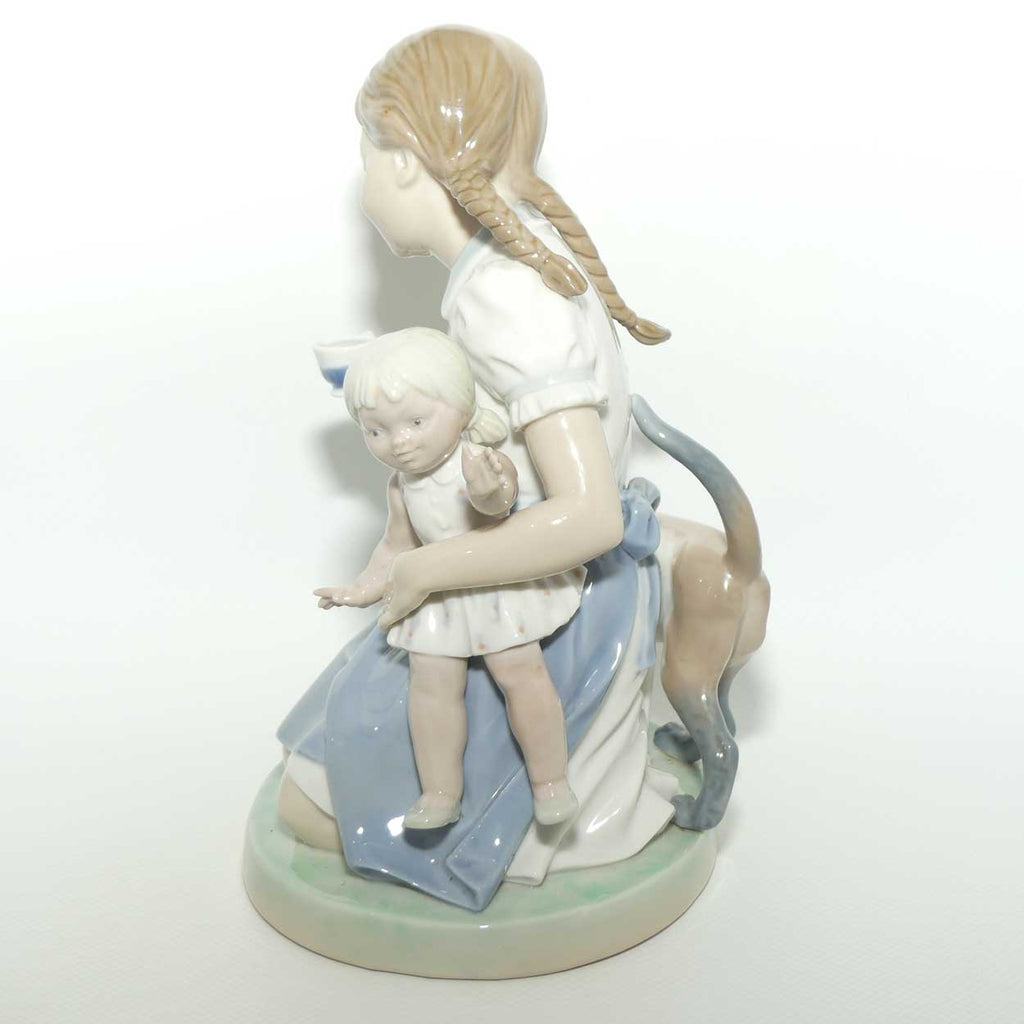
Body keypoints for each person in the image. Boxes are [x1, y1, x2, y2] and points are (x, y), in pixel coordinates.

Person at [277, 26, 677, 911]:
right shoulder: (503, 266)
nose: (364, 187)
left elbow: (588, 515)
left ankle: (523, 808)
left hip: (542, 591)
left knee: (318, 796)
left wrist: (427, 568)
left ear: (405, 161)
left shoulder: (508, 293)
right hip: (494, 561)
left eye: (366, 159)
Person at [315, 327, 582, 829]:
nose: (400, 442)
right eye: (376, 431)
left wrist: (486, 488)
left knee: (520, 671)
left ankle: (550, 781)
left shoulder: (479, 459)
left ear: (461, 407)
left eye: (416, 421)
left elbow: (498, 505)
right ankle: (440, 792)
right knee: (430, 683)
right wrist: (360, 588)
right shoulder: (401, 486)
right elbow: (396, 546)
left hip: (494, 582)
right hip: (438, 596)